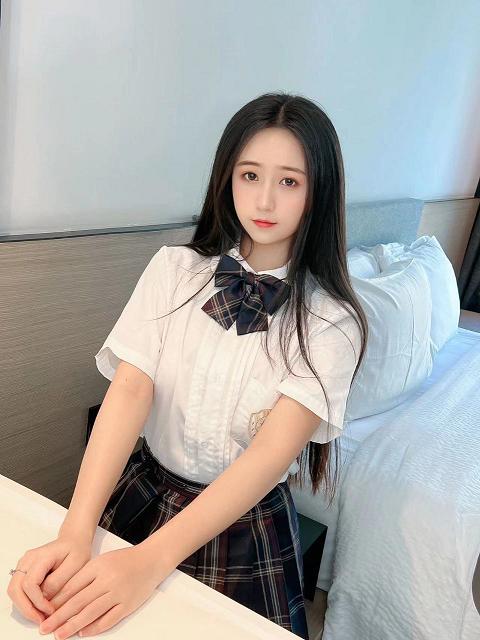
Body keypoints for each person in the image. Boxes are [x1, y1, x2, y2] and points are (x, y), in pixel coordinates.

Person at [6, 92, 368, 639]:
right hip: (145, 493)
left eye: (290, 181)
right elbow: (129, 391)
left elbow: (268, 457)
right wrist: (74, 531)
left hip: (244, 526)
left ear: (319, 191)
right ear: (227, 177)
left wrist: (147, 564)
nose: (264, 199)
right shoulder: (174, 270)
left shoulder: (331, 320)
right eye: (250, 175)